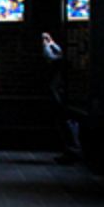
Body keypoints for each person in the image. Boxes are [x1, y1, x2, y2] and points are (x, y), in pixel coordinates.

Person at [41, 32, 82, 164]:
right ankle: (72, 150)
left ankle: (73, 151)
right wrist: (51, 44)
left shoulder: (59, 68)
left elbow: (52, 57)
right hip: (63, 97)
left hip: (62, 99)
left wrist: (48, 45)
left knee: (66, 123)